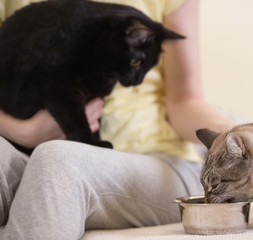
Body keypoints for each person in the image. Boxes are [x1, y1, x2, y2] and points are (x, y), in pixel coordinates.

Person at [0, 0, 235, 239]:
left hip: (154, 161)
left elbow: (185, 101)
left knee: (57, 161)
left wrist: (232, 135)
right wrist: (23, 132)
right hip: (20, 146)